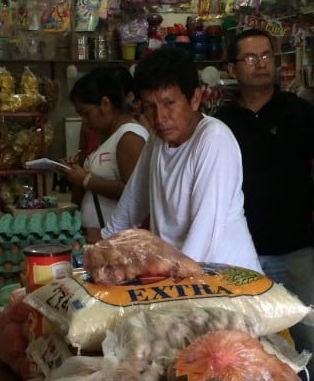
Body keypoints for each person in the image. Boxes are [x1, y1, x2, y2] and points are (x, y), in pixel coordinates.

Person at [217, 27, 314, 381]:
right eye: (250, 58)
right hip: (239, 257)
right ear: (231, 67)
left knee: (313, 342)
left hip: (294, 250)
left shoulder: (299, 113)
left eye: (267, 56)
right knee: (241, 348)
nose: (260, 64)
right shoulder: (221, 124)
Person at [100, 46, 260, 270]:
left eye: (169, 103)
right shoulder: (157, 141)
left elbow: (202, 237)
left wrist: (171, 277)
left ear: (195, 99)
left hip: (227, 282)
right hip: (182, 278)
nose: (159, 117)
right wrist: (102, 248)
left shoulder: (214, 139)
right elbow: (132, 203)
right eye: (149, 106)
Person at [62, 67, 148, 242]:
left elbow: (134, 193)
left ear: (105, 104)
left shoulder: (130, 136)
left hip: (118, 241)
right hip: (99, 238)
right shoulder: (107, 135)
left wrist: (85, 180)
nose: (84, 121)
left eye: (86, 113)